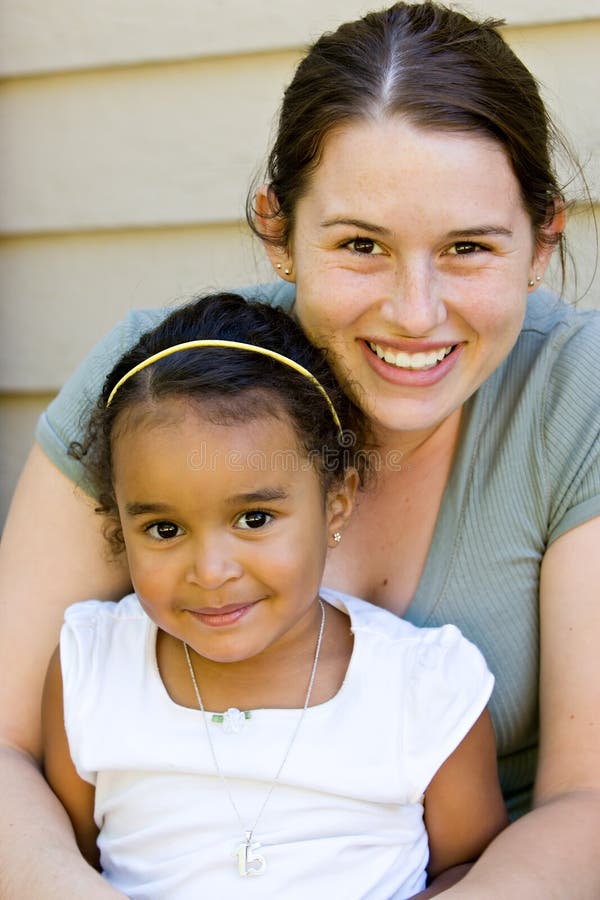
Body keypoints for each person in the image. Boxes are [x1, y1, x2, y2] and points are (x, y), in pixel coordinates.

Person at [0, 2, 599, 897]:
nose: (416, 312)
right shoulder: (162, 384)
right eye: (362, 245)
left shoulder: (575, 394)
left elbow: (584, 802)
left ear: (543, 238)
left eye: (468, 248)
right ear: (277, 227)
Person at [41, 292, 506, 899]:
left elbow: (474, 870)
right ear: (119, 522)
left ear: (336, 500)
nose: (210, 571)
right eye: (163, 529)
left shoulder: (424, 685)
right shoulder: (92, 670)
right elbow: (65, 865)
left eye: (255, 519)